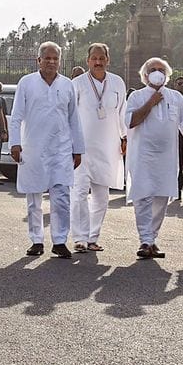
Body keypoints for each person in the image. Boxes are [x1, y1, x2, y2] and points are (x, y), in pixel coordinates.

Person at [10, 42, 84, 258]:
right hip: (33, 148)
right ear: (38, 61)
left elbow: (74, 119)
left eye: (55, 59)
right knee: (34, 197)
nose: (51, 62)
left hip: (61, 149)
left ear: (59, 61)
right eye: (47, 58)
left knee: (61, 196)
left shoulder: (68, 85)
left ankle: (60, 241)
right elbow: (16, 116)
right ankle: (36, 240)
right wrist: (15, 143)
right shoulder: (27, 83)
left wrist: (77, 149)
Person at [125, 57, 183, 259]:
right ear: (145, 75)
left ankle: (151, 239)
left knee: (161, 198)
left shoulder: (176, 97)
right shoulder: (137, 97)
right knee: (143, 197)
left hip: (167, 158)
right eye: (153, 69)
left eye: (161, 70)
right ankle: (145, 240)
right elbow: (131, 121)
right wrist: (151, 102)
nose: (157, 72)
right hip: (142, 157)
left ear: (167, 75)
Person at [70, 43, 127, 253]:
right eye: (94, 58)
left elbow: (122, 112)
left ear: (108, 59)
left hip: (108, 147)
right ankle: (80, 238)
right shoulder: (77, 84)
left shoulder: (118, 83)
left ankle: (93, 237)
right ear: (87, 61)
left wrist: (125, 137)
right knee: (79, 193)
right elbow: (71, 116)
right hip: (81, 149)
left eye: (102, 57)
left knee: (102, 197)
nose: (98, 62)